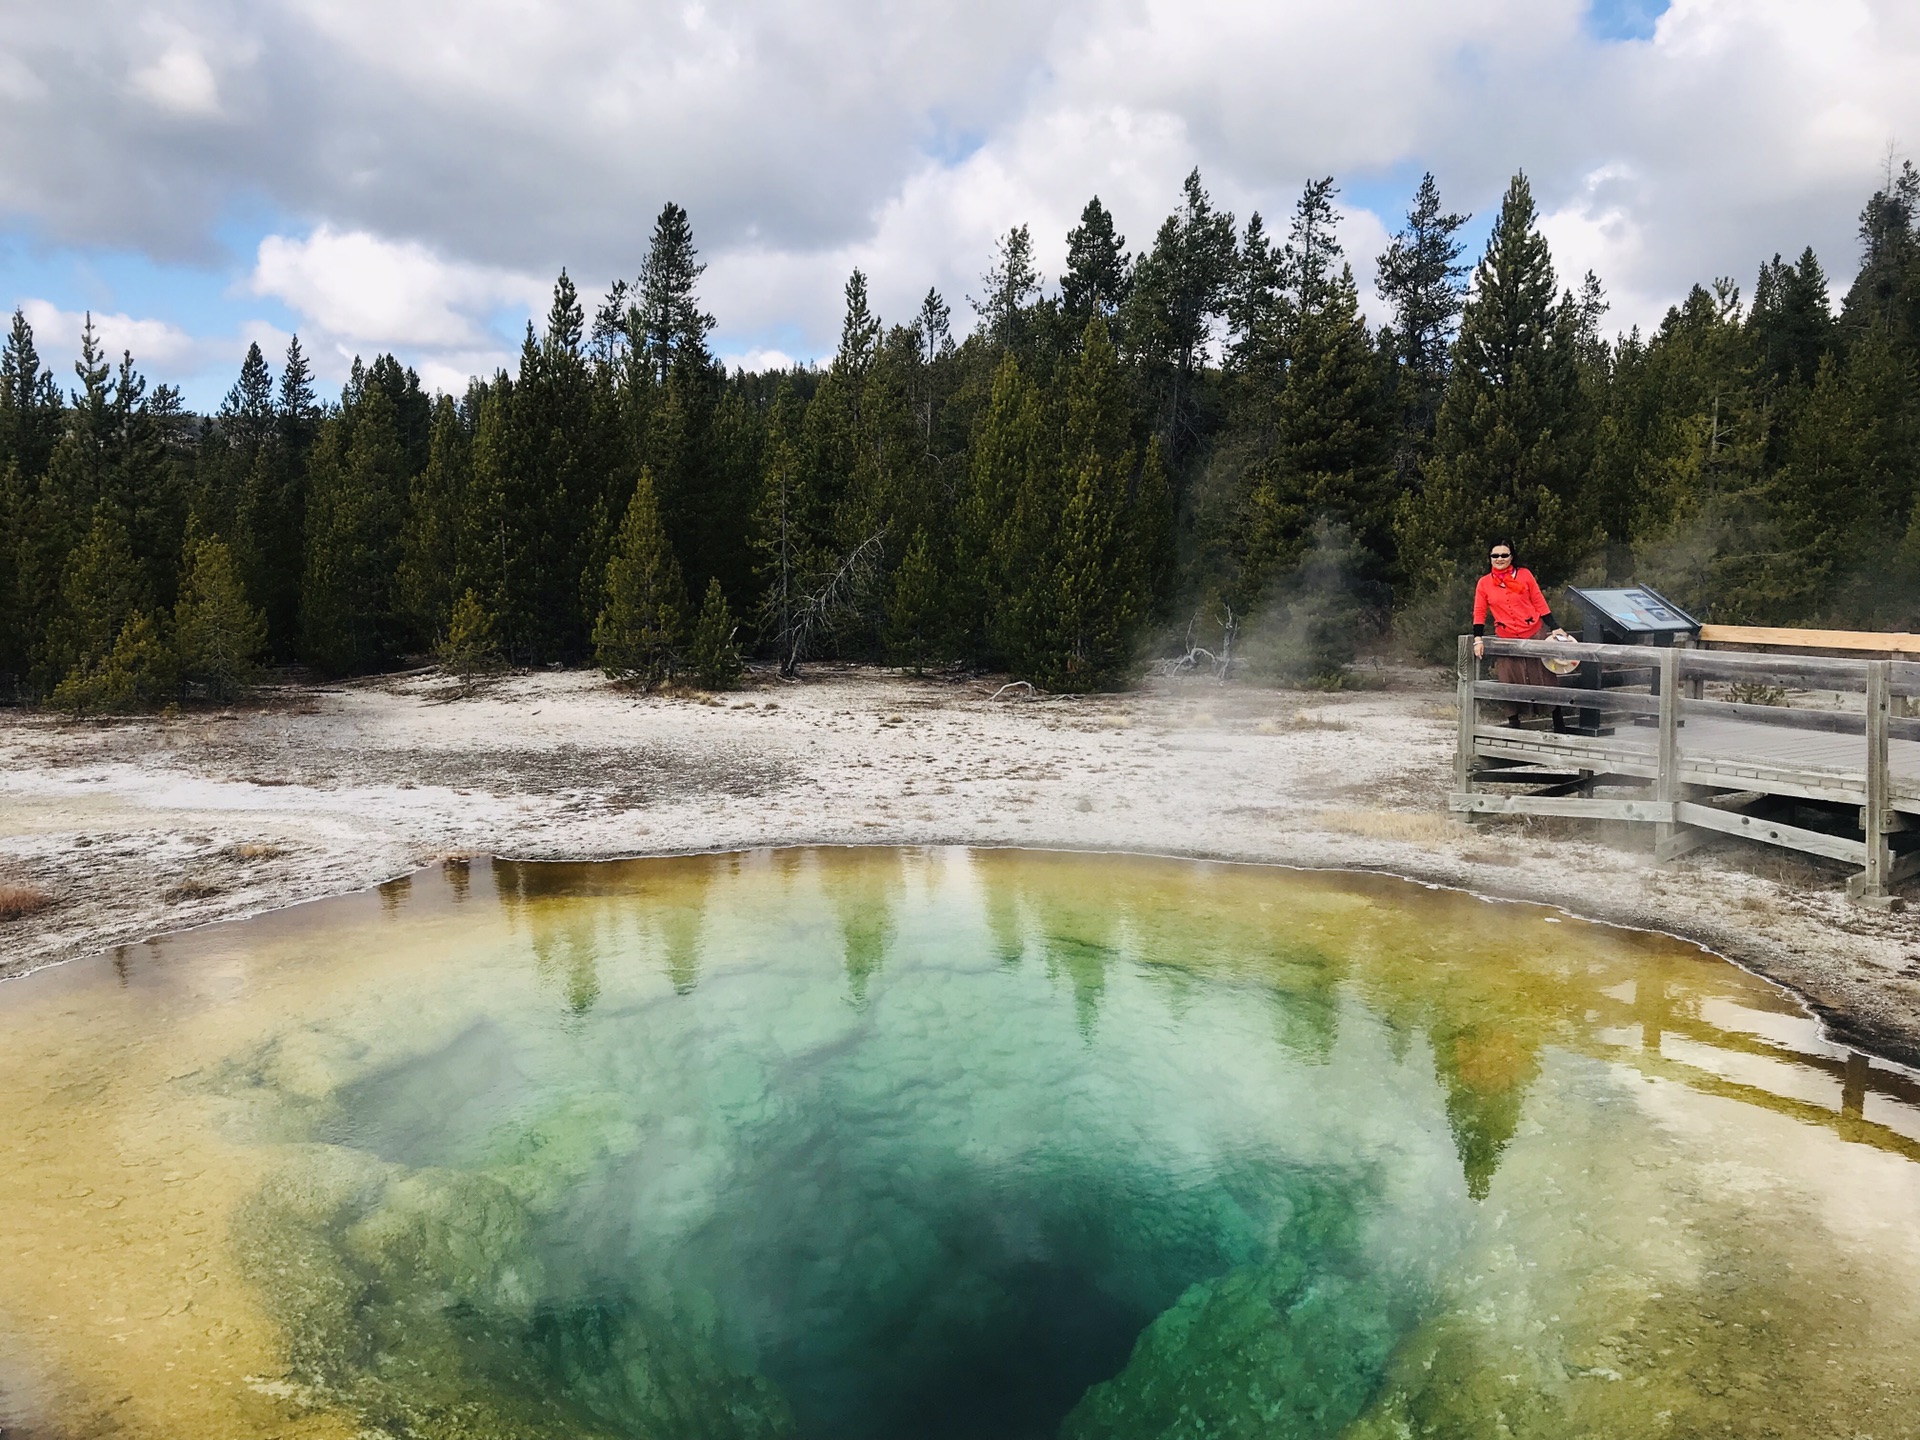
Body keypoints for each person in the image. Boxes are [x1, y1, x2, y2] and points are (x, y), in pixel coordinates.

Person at [1471, 543, 1571, 729]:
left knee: (1544, 675)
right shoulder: (1484, 583)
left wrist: (1555, 627)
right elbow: (1479, 611)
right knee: (1508, 677)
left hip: (1533, 631)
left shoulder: (1524, 575)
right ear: (1490, 558)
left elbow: (1538, 600)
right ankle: (1514, 724)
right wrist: (1478, 639)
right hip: (1506, 636)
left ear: (1512, 557)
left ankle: (1558, 722)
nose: (1499, 559)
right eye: (1495, 555)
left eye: (1504, 555)